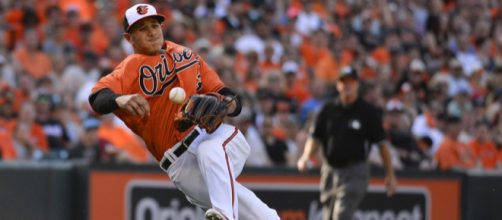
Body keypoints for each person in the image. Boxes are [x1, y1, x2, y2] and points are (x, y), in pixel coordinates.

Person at [88, 4, 279, 220]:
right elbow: (97, 98)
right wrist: (119, 98)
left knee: (210, 150)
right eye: (142, 28)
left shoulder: (186, 54)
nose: (151, 31)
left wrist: (226, 105)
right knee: (262, 215)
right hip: (180, 164)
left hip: (213, 134)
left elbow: (229, 96)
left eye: (154, 25)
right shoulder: (128, 69)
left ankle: (224, 215)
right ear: (128, 38)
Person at [297, 66, 398, 220]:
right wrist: (305, 157)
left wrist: (390, 175)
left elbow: (382, 145)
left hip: (355, 170)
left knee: (341, 216)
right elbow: (315, 137)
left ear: (357, 84)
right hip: (330, 169)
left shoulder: (368, 112)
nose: (347, 85)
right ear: (338, 85)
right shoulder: (328, 109)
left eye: (351, 81)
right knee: (328, 216)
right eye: (344, 82)